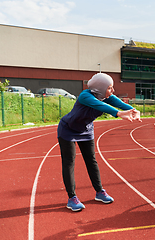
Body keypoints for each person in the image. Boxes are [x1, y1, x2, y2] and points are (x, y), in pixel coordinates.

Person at [57, 73, 141, 211]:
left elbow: (119, 103)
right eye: (109, 88)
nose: (112, 91)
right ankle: (72, 198)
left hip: (86, 130)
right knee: (69, 162)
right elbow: (100, 106)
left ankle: (99, 192)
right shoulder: (86, 96)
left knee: (91, 160)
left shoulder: (105, 96)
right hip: (68, 130)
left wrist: (134, 111)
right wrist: (119, 114)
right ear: (101, 88)